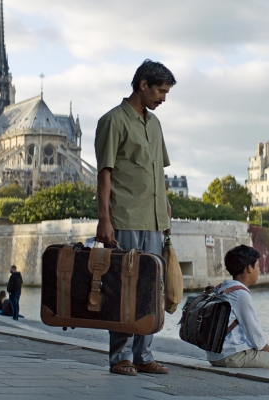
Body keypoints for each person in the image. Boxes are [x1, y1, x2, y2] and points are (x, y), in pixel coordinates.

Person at [95, 59, 176, 377]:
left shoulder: (155, 125)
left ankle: (144, 354)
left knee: (151, 291)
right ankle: (121, 357)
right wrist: (105, 219)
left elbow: (159, 172)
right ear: (142, 84)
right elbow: (104, 174)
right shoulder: (112, 121)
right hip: (125, 218)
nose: (163, 98)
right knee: (123, 288)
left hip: (154, 220)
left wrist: (166, 207)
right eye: (160, 90)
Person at [207, 245, 269, 373]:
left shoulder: (223, 288)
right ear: (249, 268)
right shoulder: (241, 294)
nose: (258, 271)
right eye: (257, 267)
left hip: (215, 354)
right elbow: (257, 339)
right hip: (232, 355)